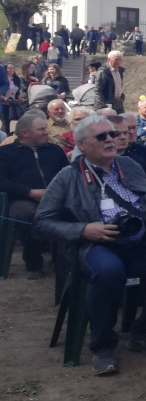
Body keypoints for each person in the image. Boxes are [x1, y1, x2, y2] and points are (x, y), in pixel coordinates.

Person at [33, 115, 146, 374]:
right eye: (102, 136)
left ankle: (142, 332)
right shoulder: (67, 177)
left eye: (113, 135)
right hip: (96, 245)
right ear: (82, 145)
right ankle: (103, 346)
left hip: (138, 241)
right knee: (109, 272)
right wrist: (83, 229)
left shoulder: (129, 165)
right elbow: (41, 224)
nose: (111, 140)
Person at [0, 111, 68, 278]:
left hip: (56, 197)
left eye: (46, 128)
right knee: (26, 214)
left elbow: (68, 175)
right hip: (23, 199)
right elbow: (2, 182)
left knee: (72, 211)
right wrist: (30, 193)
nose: (47, 132)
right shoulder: (5, 153)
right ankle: (33, 263)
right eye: (41, 129)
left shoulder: (55, 151)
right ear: (25, 133)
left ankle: (62, 261)